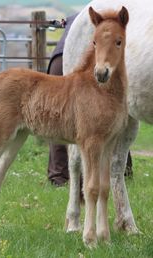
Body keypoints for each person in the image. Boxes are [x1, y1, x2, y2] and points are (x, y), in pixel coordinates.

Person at [47, 15, 133, 186]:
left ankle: (58, 175)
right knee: (99, 124)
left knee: (58, 119)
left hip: (58, 57)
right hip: (79, 62)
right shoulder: (109, 22)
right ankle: (121, 172)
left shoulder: (81, 16)